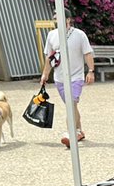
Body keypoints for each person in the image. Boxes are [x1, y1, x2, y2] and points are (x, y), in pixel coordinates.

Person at [40, 10, 95, 146]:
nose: (54, 18)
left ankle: (70, 133)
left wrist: (91, 71)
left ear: (68, 19)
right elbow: (49, 57)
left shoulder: (79, 35)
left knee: (71, 104)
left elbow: (87, 54)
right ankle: (79, 131)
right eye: (54, 16)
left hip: (76, 77)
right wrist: (45, 74)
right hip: (59, 78)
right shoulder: (52, 35)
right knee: (72, 106)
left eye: (57, 15)